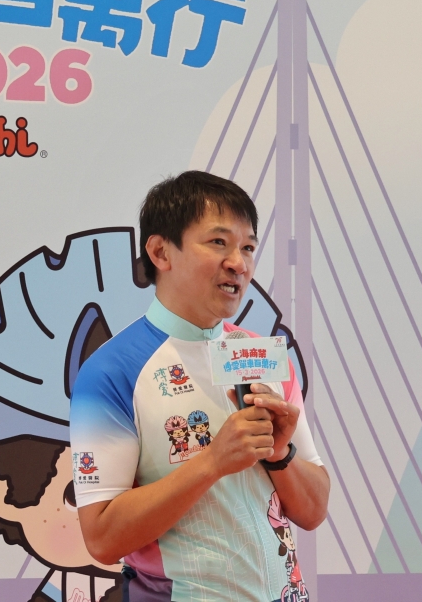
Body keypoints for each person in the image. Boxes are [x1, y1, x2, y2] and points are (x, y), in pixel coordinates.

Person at [70, 171, 329, 602]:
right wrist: (212, 462)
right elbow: (101, 537)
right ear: (160, 252)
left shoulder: (263, 357)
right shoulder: (112, 370)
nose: (238, 263)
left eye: (248, 247)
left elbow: (314, 511)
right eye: (218, 242)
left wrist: (280, 454)